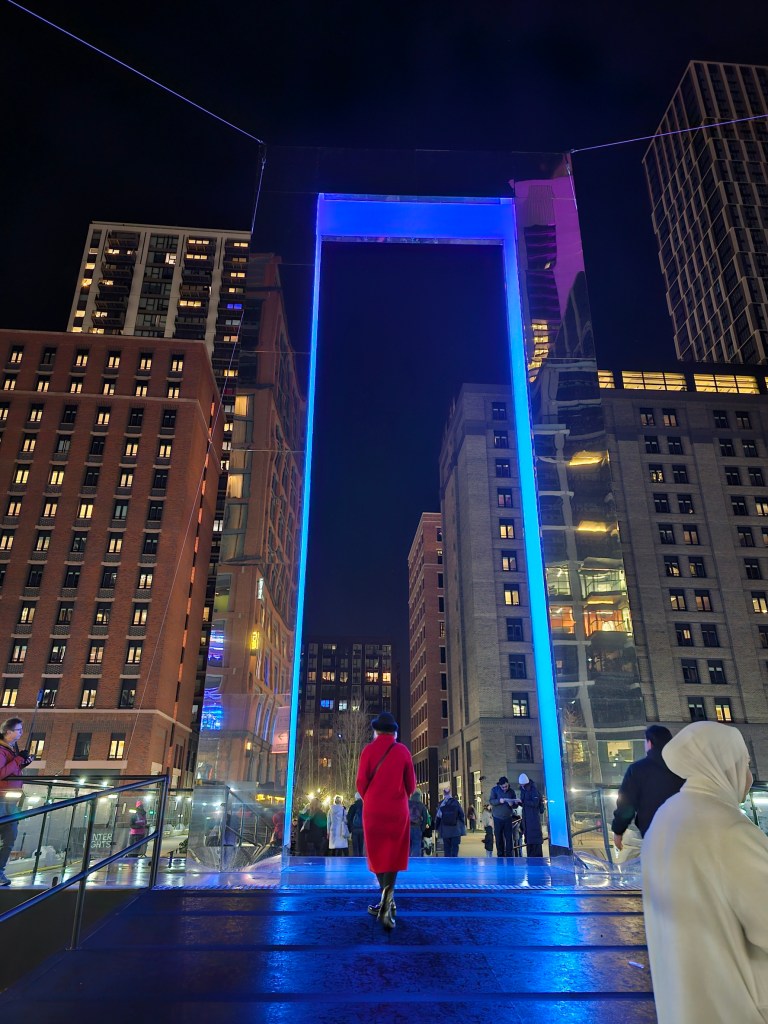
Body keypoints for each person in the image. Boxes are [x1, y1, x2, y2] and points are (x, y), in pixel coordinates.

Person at [643, 721, 768, 1024]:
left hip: (682, 1004)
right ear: (724, 765)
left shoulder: (667, 815)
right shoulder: (728, 827)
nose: (749, 777)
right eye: (745, 763)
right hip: (737, 1005)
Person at [356, 711, 416, 930]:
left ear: (376, 731)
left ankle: (386, 902)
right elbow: (412, 785)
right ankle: (387, 902)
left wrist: (372, 798)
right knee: (393, 852)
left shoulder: (369, 750)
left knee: (378, 853)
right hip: (397, 810)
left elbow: (361, 782)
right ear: (395, 732)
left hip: (373, 810)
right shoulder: (403, 751)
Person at [611, 724, 684, 853]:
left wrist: (618, 831)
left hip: (654, 834)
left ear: (650, 743)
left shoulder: (637, 769)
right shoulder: (683, 768)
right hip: (685, 831)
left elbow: (626, 805)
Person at [0, 717, 33, 885]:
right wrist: (19, 760)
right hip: (1, 800)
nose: (21, 733)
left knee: (10, 837)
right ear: (8, 732)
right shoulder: (1, 750)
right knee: (7, 836)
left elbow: (10, 771)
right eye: (18, 730)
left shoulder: (11, 750)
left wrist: (23, 763)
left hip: (10, 801)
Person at [488, 776, 520, 857]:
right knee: (498, 838)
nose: (505, 788)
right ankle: (500, 855)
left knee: (509, 838)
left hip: (508, 818)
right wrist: (499, 801)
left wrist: (512, 804)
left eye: (506, 786)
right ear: (500, 786)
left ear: (508, 784)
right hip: (497, 818)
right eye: (503, 787)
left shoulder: (511, 791)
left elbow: (515, 805)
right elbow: (491, 801)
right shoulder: (494, 790)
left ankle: (510, 856)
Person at [517, 773, 545, 857]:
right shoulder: (524, 790)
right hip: (528, 819)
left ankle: (536, 860)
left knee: (534, 842)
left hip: (532, 819)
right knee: (530, 842)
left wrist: (523, 802)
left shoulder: (533, 790)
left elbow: (535, 803)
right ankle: (532, 859)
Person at [435, 785, 465, 857]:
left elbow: (438, 817)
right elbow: (462, 814)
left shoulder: (441, 804)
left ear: (443, 793)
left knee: (447, 848)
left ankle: (448, 864)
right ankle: (454, 863)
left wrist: (437, 828)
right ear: (450, 792)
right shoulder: (456, 802)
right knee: (455, 848)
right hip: (455, 829)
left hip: (445, 830)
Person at [407, 789, 429, 856]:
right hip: (417, 828)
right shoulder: (421, 805)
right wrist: (422, 829)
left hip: (407, 828)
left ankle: (408, 861)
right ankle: (415, 861)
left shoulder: (406, 803)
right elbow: (425, 818)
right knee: (416, 845)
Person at [346, 792, 365, 857]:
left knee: (355, 847)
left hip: (354, 829)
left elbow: (349, 818)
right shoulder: (365, 806)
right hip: (363, 829)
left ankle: (356, 861)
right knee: (361, 846)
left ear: (356, 798)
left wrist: (350, 829)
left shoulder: (353, 806)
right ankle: (361, 860)